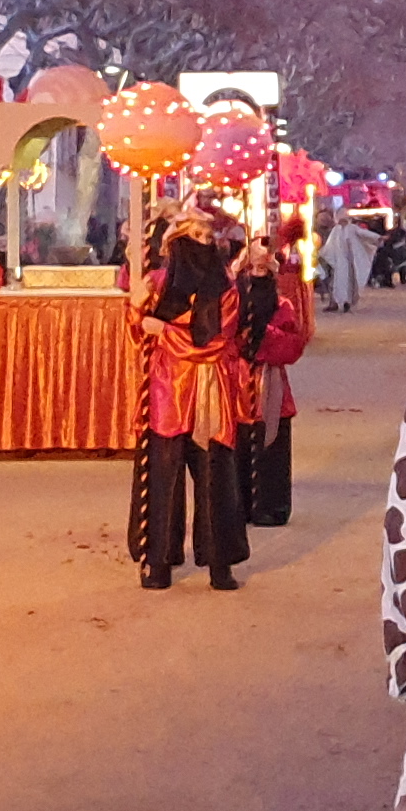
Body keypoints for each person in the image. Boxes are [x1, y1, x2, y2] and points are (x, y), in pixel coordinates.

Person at [133, 192, 255, 593]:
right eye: (195, 234)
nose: (203, 240)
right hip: (168, 393)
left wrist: (165, 329)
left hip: (211, 390)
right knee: (163, 477)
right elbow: (137, 335)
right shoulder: (155, 284)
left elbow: (217, 339)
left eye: (208, 235)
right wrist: (136, 314)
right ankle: (159, 562)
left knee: (215, 478)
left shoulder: (227, 289)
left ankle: (220, 563)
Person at [242, 216, 317, 525]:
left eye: (263, 270)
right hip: (240, 384)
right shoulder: (235, 301)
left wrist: (264, 339)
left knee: (272, 447)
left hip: (271, 385)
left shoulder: (282, 304)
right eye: (253, 270)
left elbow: (292, 344)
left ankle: (272, 506)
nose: (258, 275)